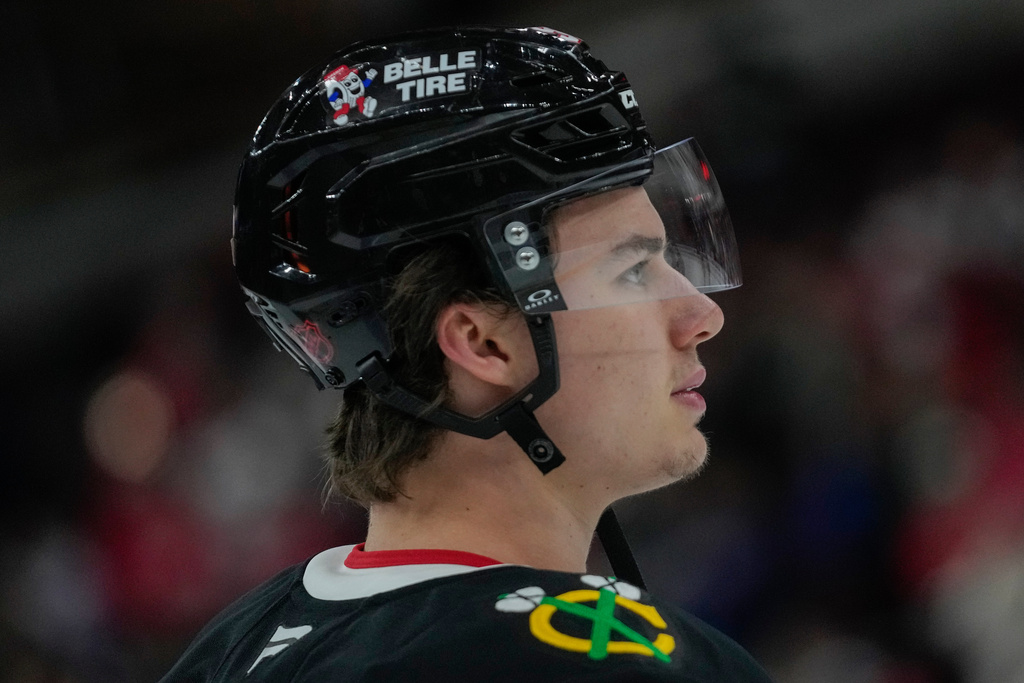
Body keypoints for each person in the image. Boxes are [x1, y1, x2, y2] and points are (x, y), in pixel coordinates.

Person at [162, 25, 772, 682]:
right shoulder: (618, 666)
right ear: (481, 343)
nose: (701, 316)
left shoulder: (227, 653)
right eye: (631, 271)